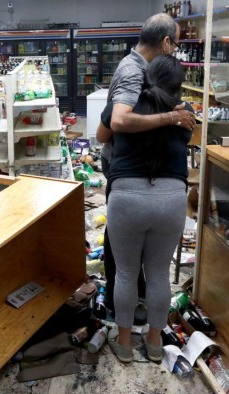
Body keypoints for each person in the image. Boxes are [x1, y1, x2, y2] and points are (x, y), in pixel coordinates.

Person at [97, 13, 196, 315]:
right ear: (166, 42)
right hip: (128, 168)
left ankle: (129, 312)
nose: (176, 50)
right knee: (134, 262)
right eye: (176, 44)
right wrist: (171, 117)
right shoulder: (133, 72)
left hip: (132, 179)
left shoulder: (144, 73)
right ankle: (126, 308)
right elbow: (119, 121)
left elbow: (105, 129)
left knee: (129, 254)